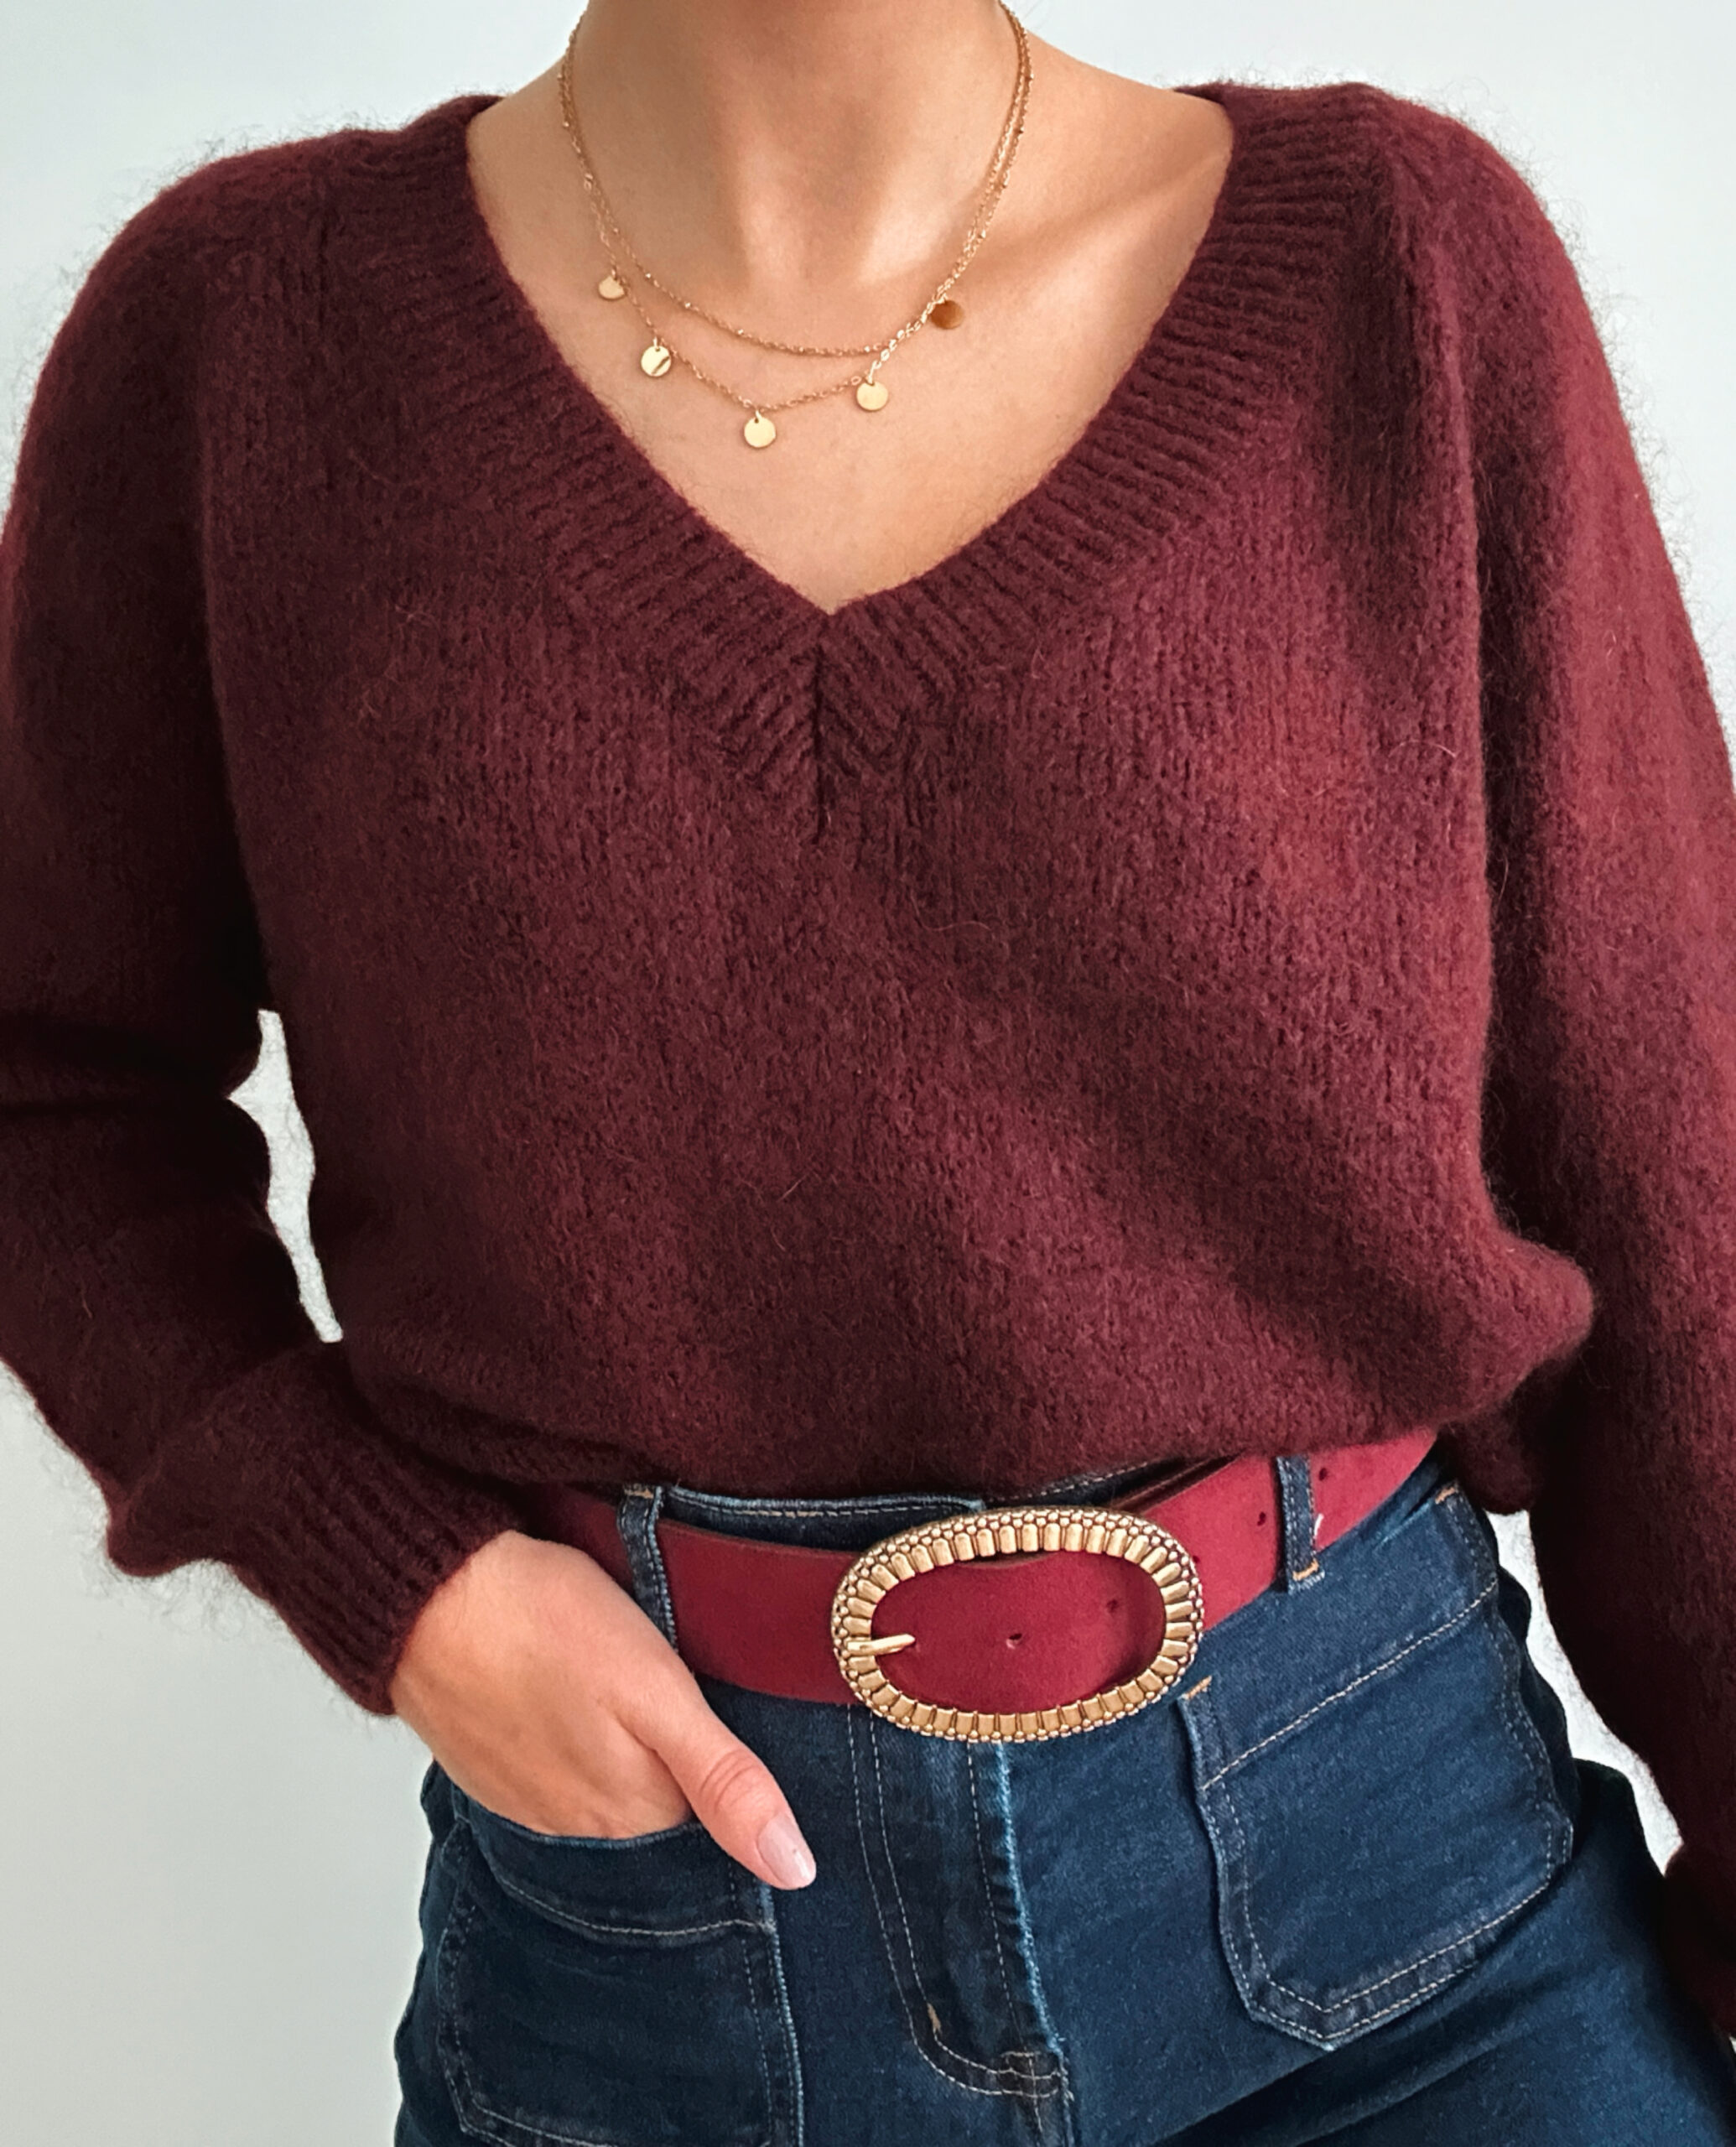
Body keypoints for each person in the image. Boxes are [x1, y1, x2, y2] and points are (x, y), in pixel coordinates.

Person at [3, 2, 1735, 2139]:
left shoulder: (1402, 273)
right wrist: (381, 1559)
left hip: (1406, 1925)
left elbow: (1679, 1174)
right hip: (653, 1971)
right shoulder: (244, 343)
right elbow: (45, 1081)